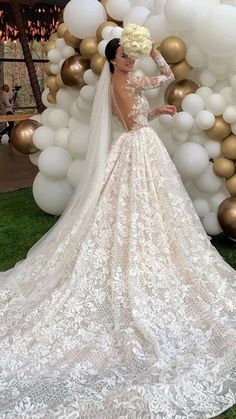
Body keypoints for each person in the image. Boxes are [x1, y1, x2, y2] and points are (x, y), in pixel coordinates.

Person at [0, 37, 236, 419]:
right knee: (143, 204)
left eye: (131, 53)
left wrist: (156, 111)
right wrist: (155, 51)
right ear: (113, 59)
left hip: (134, 141)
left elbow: (134, 118)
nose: (129, 59)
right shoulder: (126, 82)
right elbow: (161, 76)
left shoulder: (116, 85)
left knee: (141, 205)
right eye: (124, 55)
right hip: (140, 147)